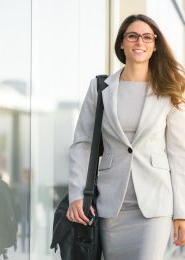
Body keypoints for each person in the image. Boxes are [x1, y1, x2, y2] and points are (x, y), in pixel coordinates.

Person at [66, 14, 185, 260]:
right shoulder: (100, 88)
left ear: (154, 46)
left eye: (146, 37)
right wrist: (77, 194)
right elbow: (83, 143)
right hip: (112, 205)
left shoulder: (169, 88)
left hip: (155, 206)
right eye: (132, 36)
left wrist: (181, 211)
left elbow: (178, 152)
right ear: (121, 43)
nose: (139, 42)